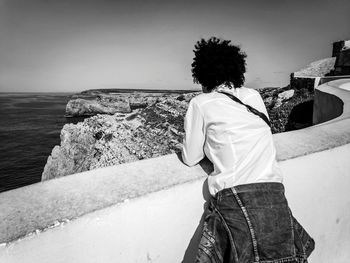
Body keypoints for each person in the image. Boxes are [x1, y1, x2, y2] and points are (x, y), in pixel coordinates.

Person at [182, 37, 314, 263]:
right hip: (275, 197)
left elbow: (190, 157)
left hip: (238, 200)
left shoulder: (201, 103)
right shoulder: (253, 97)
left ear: (202, 73)